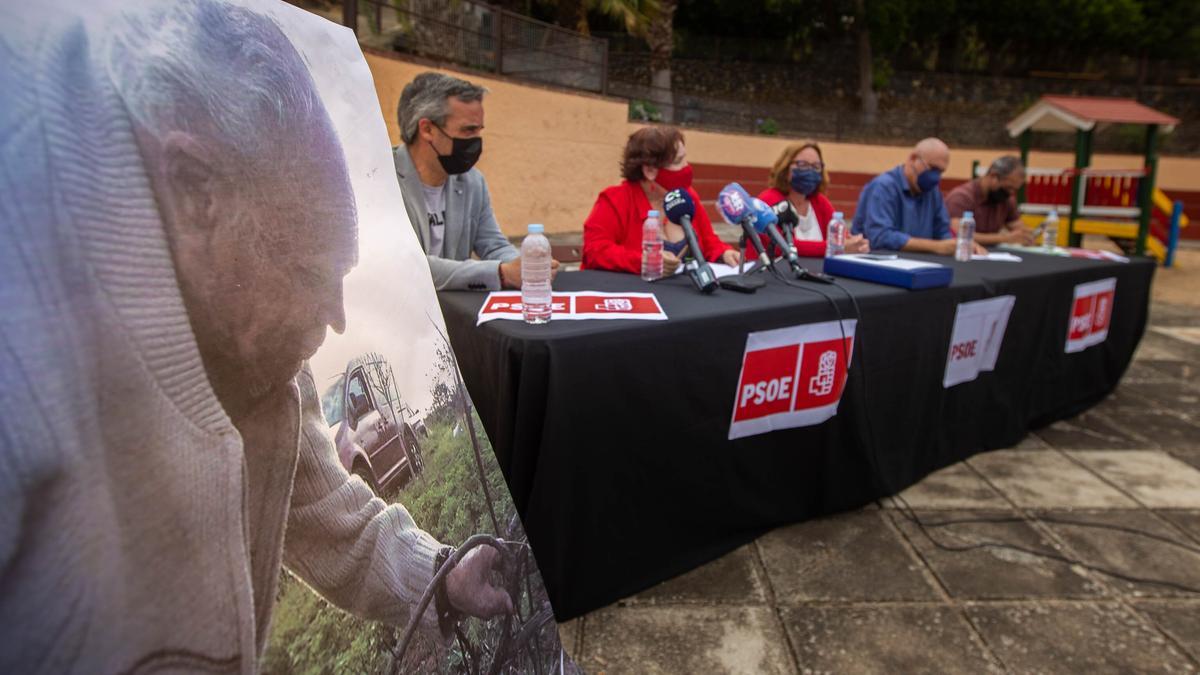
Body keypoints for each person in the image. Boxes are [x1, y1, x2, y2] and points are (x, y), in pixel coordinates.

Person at [0, 2, 511, 671]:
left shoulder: (248, 339)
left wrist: (442, 576)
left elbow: (324, 509)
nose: (334, 316)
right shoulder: (24, 342)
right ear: (195, 192)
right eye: (308, 270)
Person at [394, 71, 558, 291]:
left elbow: (493, 245)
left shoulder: (472, 181)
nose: (476, 141)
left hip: (453, 316)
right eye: (468, 130)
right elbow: (405, 265)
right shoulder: (381, 178)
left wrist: (526, 265)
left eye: (479, 130)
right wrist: (500, 273)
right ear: (427, 129)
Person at [582, 126, 740, 274]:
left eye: (685, 159)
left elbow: (708, 240)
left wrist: (724, 253)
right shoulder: (614, 199)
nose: (687, 167)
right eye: (678, 162)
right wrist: (644, 261)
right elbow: (595, 250)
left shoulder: (687, 196)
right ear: (650, 170)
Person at [851, 137, 986, 256]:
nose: (935, 177)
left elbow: (942, 232)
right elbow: (880, 237)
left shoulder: (932, 191)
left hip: (919, 264)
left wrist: (959, 244)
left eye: (940, 172)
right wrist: (937, 247)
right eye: (933, 168)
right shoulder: (883, 187)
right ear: (913, 159)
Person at [758, 141, 869, 256]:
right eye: (802, 164)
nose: (809, 171)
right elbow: (781, 246)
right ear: (785, 168)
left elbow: (842, 237)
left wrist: (857, 244)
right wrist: (834, 247)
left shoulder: (819, 202)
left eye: (816, 166)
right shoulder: (768, 200)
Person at [944, 155, 1034, 246]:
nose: (1011, 193)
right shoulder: (962, 197)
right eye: (1008, 188)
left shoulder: (1006, 199)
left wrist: (1026, 235)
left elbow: (1017, 226)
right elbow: (959, 234)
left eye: (1015, 189)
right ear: (993, 176)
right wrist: (1006, 238)